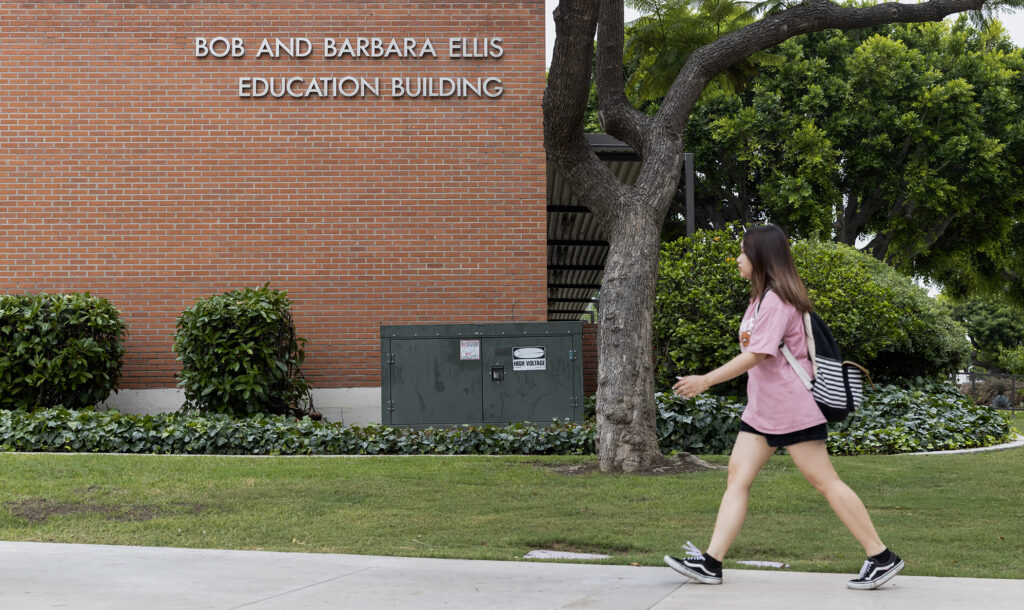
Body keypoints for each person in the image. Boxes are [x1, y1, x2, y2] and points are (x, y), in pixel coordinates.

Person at [662, 224, 904, 591]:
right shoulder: (760, 300)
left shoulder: (777, 301)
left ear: (760, 258)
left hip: (792, 409)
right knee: (737, 478)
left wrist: (706, 380)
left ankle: (881, 556)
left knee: (824, 481)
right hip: (763, 411)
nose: (738, 259)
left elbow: (757, 354)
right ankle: (711, 562)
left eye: (743, 253)